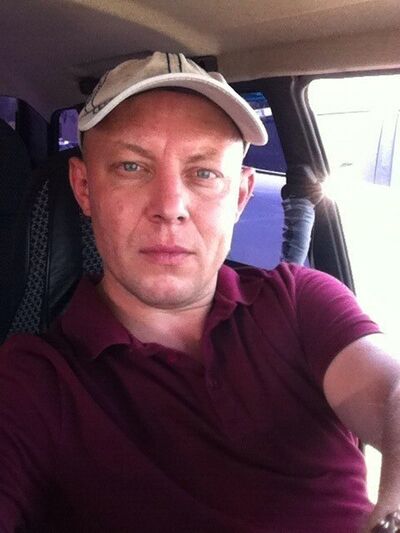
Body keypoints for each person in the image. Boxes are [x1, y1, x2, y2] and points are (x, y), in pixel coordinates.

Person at [0, 51, 399, 533]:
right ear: (84, 188)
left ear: (241, 195)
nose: (170, 207)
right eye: (131, 166)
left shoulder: (301, 302)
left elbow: (390, 389)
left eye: (204, 172)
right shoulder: (35, 378)